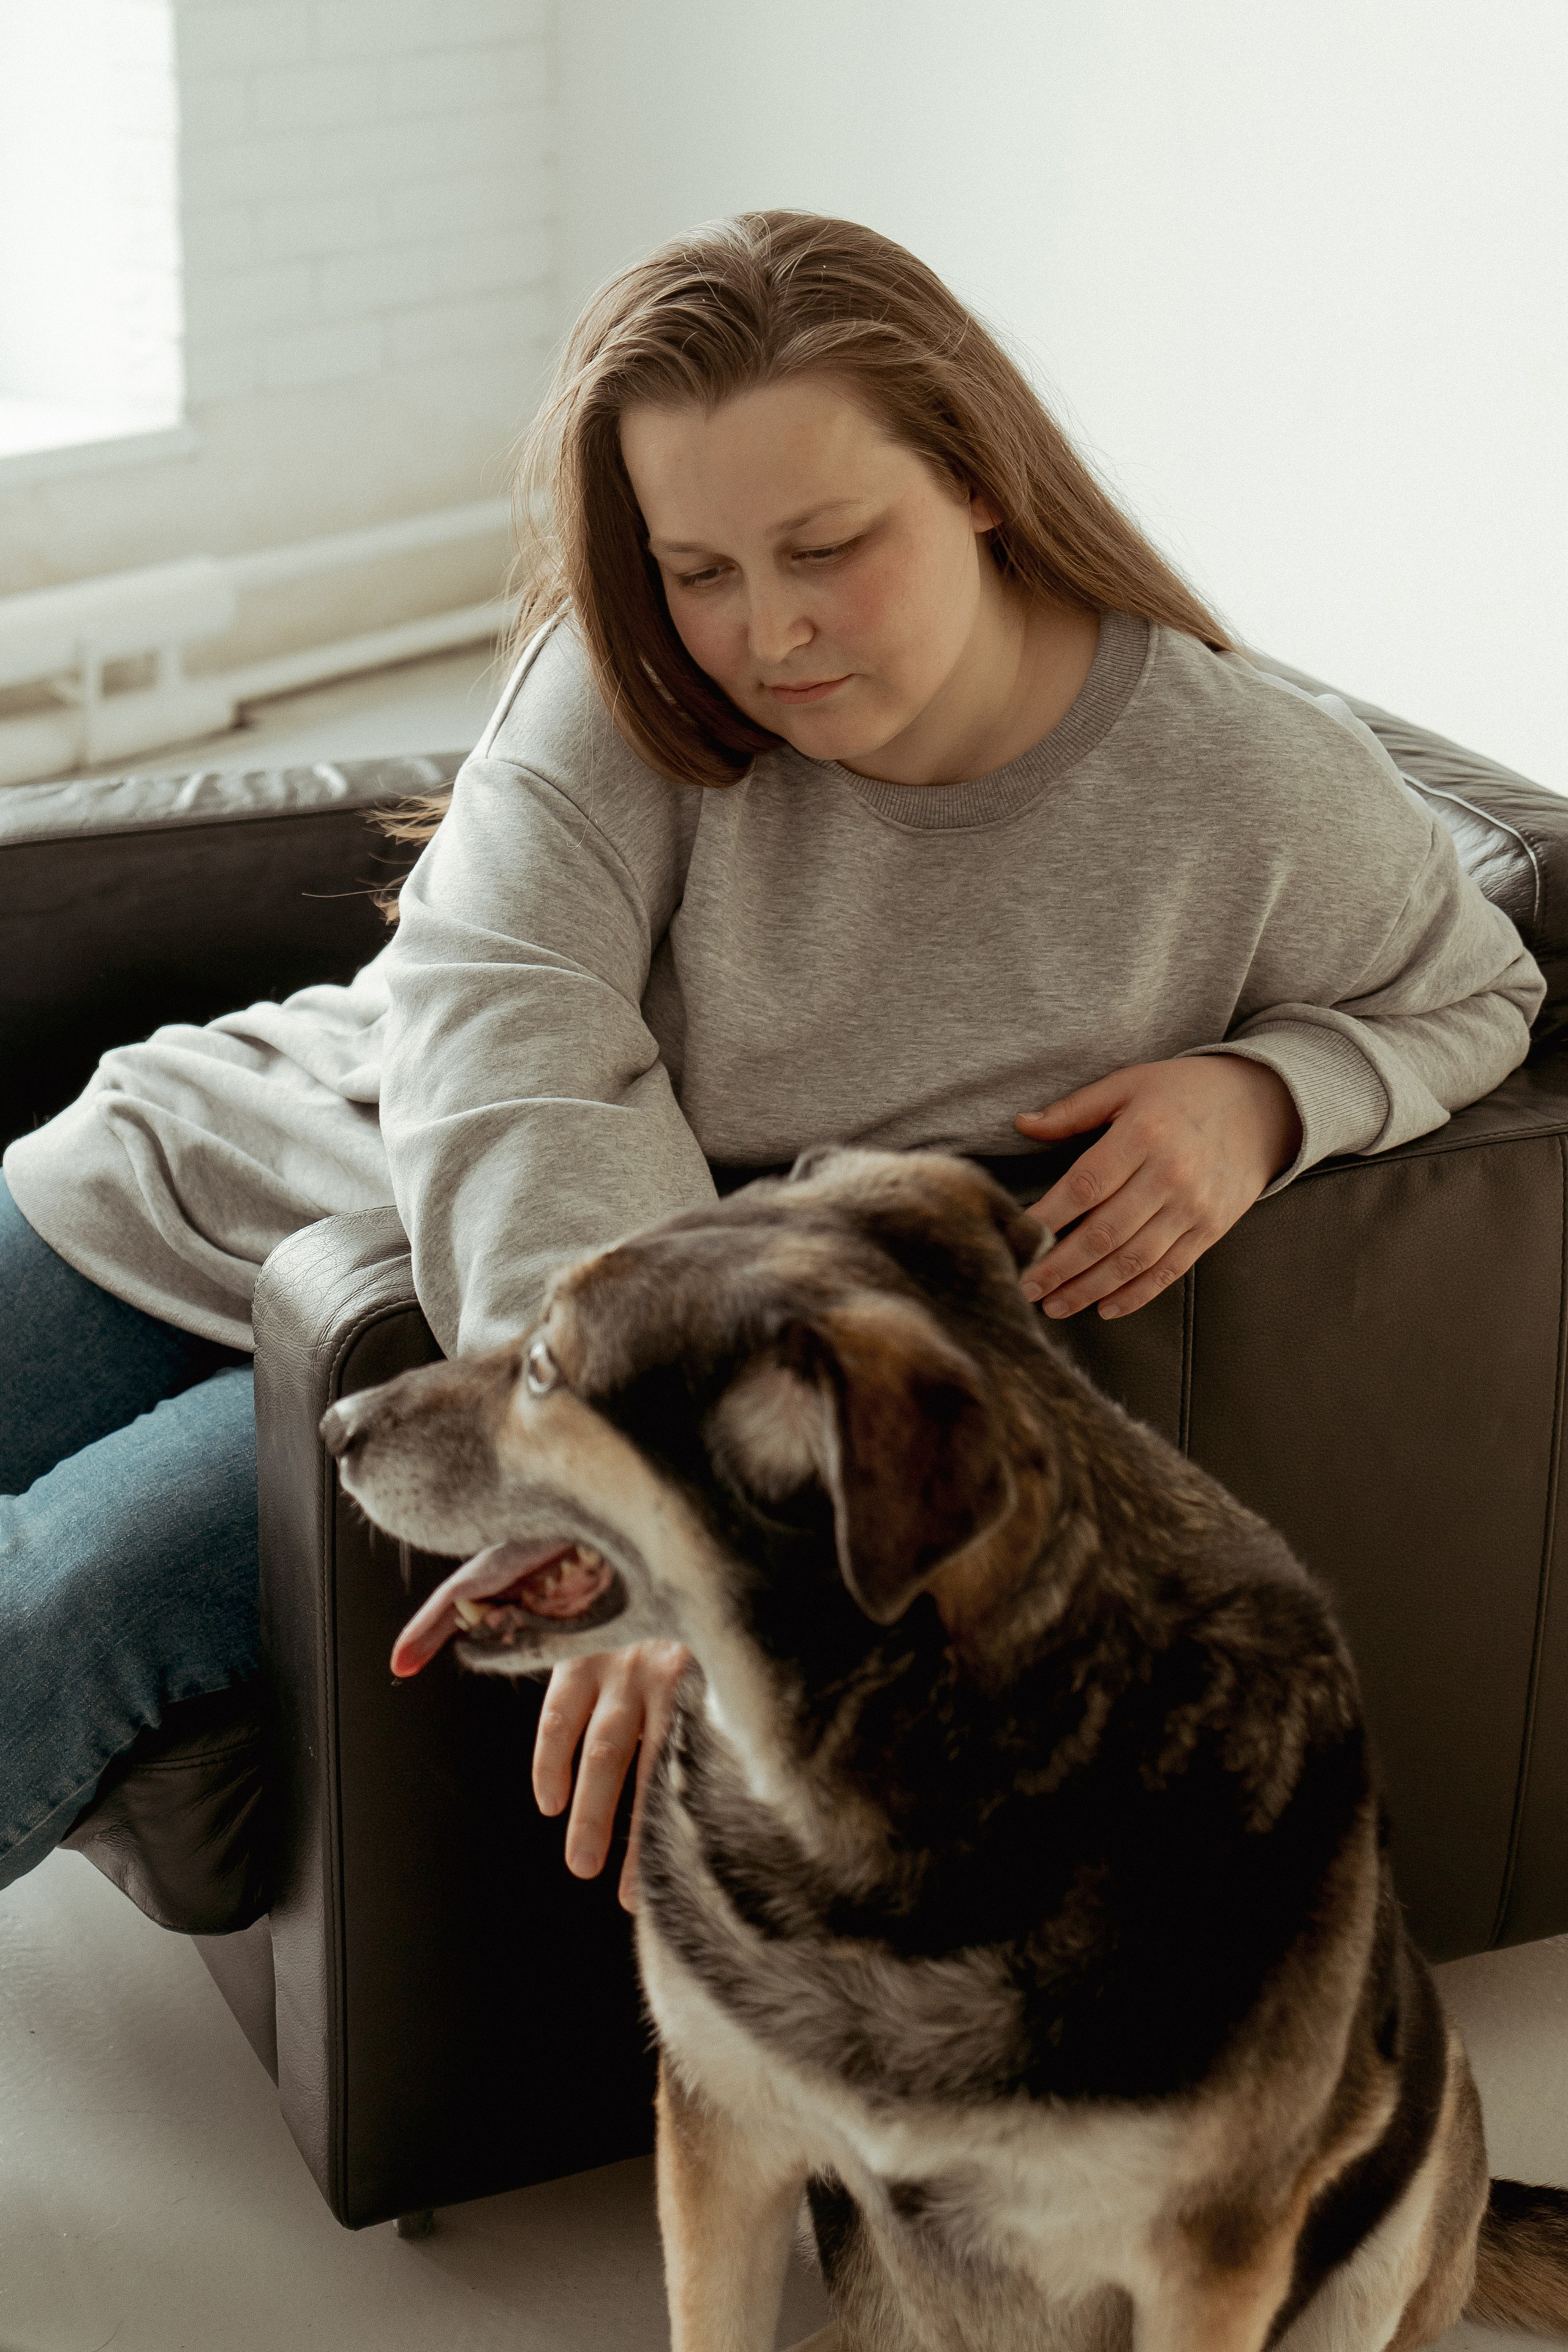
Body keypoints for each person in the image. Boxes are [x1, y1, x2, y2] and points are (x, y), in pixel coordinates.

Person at [0, 212, 1542, 1915]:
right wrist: (643, 1495)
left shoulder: (1252, 789)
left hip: (439, 1340)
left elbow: (1475, 993)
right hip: (235, 1163)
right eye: (702, 570)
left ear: (979, 478)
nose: (769, 634)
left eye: (828, 547)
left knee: (58, 1595)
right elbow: (509, 1043)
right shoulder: (624, 683)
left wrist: (1270, 1094)